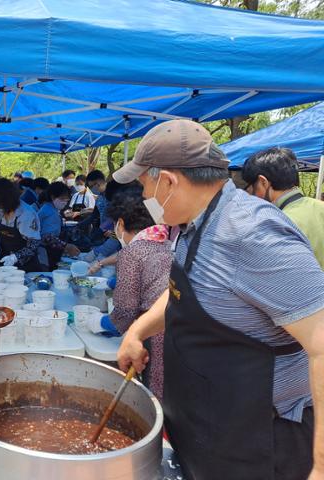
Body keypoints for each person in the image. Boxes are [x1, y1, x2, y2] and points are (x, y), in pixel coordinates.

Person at [113, 119, 324, 480]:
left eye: (144, 185)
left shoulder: (253, 235)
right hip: (207, 430)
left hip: (259, 444)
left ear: (168, 181)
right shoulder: (191, 225)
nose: (145, 197)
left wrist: (320, 466)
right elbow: (182, 292)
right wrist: (137, 331)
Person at [89, 190, 172, 401]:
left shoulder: (131, 252)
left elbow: (126, 312)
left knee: (156, 392)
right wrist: (113, 282)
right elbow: (151, 279)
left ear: (121, 223)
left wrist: (99, 322)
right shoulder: (166, 242)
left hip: (155, 331)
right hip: (177, 329)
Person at [242, 147, 324, 269]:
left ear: (263, 182)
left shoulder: (276, 224)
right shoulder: (320, 206)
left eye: (249, 188)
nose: (249, 195)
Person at [0, 177, 43, 272]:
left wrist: (15, 257)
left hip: (27, 266)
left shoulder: (26, 214)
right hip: (6, 261)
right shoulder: (0, 210)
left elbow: (34, 244)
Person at [37, 182, 80, 270]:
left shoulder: (49, 208)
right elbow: (47, 237)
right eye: (62, 199)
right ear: (53, 197)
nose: (65, 202)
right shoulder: (50, 212)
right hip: (45, 252)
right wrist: (66, 246)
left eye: (67, 200)